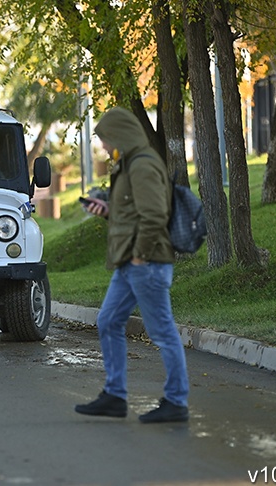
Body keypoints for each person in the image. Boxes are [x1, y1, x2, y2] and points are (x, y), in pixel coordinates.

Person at [75, 107, 189, 423]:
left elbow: (155, 216)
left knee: (163, 332)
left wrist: (140, 255)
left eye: (104, 139)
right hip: (129, 263)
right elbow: (132, 213)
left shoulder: (143, 165)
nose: (102, 146)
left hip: (146, 262)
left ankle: (176, 402)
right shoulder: (128, 166)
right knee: (108, 321)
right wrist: (107, 211)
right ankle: (114, 396)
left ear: (120, 136)